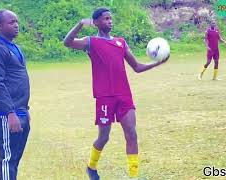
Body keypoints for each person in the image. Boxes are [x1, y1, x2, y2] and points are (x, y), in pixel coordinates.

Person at [64, 7, 169, 179]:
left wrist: (157, 63)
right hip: (104, 96)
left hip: (124, 95)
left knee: (132, 134)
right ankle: (91, 167)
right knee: (103, 137)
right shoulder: (90, 42)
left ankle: (134, 176)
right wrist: (80, 24)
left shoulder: (121, 42)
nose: (109, 21)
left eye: (110, 18)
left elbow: (137, 67)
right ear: (96, 22)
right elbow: (67, 42)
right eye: (105, 19)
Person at [0, 9, 30, 180]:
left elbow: (17, 81)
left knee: (14, 159)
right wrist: (10, 113)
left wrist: (25, 109)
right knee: (8, 158)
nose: (16, 25)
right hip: (5, 113)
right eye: (11, 22)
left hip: (20, 110)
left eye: (16, 21)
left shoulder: (14, 47)